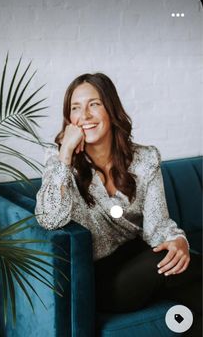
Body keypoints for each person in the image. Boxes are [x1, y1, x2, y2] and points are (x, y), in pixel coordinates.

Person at [35, 73, 202, 336]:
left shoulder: (145, 159)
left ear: (111, 110)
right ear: (69, 121)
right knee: (183, 263)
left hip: (140, 261)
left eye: (94, 104)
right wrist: (64, 154)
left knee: (188, 282)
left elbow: (158, 226)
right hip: (103, 281)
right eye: (75, 108)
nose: (85, 115)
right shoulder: (59, 163)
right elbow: (49, 218)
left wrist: (177, 240)